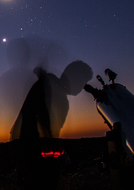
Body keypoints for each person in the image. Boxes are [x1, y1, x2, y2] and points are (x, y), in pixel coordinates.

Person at [10, 61, 93, 189]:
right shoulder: (51, 86)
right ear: (75, 77)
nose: (82, 87)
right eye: (82, 82)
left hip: (29, 151)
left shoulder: (55, 89)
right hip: (32, 154)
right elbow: (42, 116)